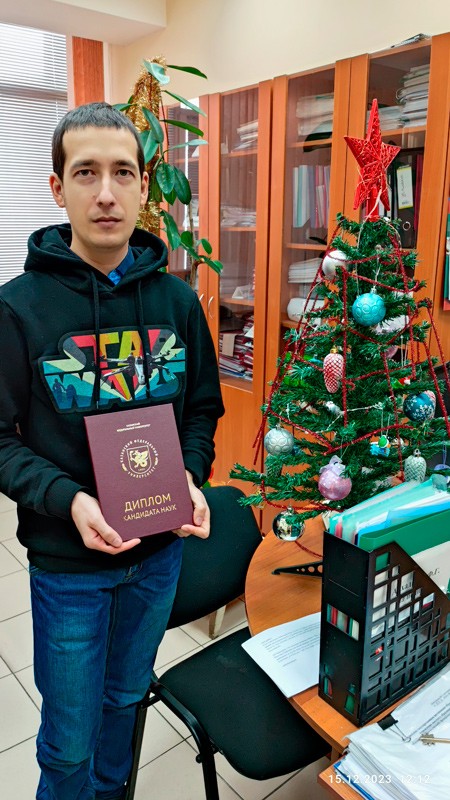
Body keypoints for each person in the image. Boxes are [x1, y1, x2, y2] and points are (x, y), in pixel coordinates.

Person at [0, 102, 224, 800]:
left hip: (158, 560)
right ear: (57, 187)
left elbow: (201, 411)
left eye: (122, 172)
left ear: (144, 186)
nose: (105, 192)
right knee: (68, 743)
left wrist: (190, 475)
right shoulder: (17, 310)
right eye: (86, 172)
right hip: (70, 569)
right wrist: (70, 501)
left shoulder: (178, 302)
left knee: (124, 705)